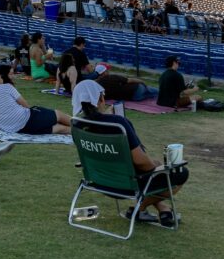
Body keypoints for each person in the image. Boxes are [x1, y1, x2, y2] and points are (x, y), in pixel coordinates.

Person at [71, 80, 187, 226]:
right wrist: (157, 169)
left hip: (100, 180)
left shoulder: (77, 125)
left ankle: (161, 209)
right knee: (180, 173)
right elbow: (141, 162)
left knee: (153, 167)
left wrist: (106, 116)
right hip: (126, 185)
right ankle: (138, 208)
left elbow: (97, 127)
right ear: (100, 98)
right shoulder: (118, 124)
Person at [0, 70, 72, 135]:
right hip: (26, 118)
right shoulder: (6, 87)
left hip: (18, 130)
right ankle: (83, 125)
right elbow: (25, 105)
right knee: (58, 115)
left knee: (59, 128)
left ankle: (80, 133)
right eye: (0, 77)